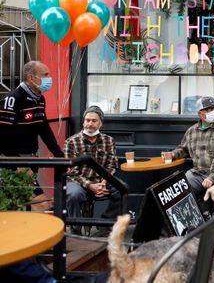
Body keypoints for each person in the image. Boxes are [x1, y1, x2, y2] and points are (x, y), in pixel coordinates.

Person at [0, 60, 65, 208]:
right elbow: (2, 136)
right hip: (13, 161)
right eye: (45, 75)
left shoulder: (39, 98)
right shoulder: (14, 98)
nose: (49, 78)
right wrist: (18, 164)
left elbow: (43, 127)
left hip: (32, 156)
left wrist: (58, 154)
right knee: (42, 204)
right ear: (31, 78)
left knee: (19, 204)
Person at [64, 105, 125, 236]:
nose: (89, 124)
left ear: (100, 123)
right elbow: (71, 171)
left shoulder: (108, 140)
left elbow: (112, 165)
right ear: (83, 121)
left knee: (122, 189)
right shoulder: (71, 141)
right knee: (73, 195)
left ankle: (105, 222)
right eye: (87, 120)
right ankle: (76, 227)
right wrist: (90, 186)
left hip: (101, 180)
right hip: (78, 181)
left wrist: (103, 183)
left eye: (94, 121)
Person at [172, 96, 214, 198]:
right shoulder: (192, 131)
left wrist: (212, 177)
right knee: (176, 194)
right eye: (208, 109)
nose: (212, 111)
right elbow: (184, 149)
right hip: (199, 173)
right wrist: (173, 154)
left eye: (213, 108)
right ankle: (194, 214)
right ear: (199, 114)